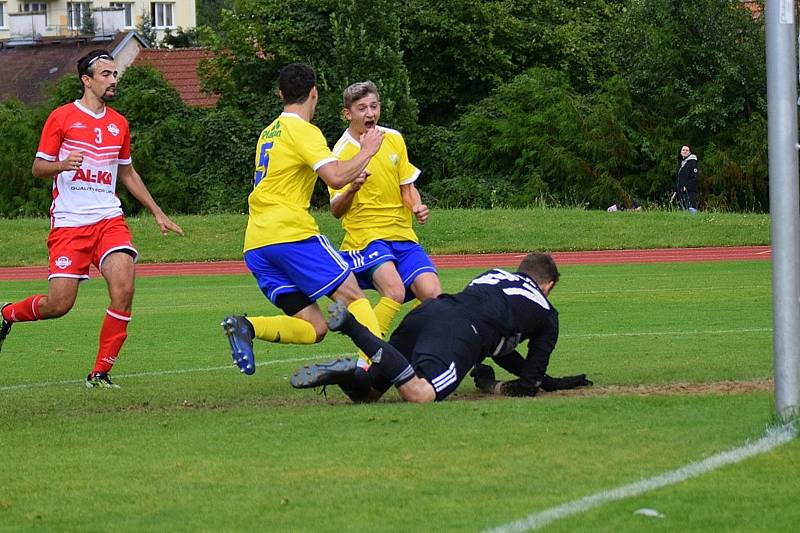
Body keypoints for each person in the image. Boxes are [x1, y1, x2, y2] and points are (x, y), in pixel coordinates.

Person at [0, 49, 184, 388]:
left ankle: (100, 373)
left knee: (124, 288)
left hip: (108, 219)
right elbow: (38, 168)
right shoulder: (61, 117)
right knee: (59, 304)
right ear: (87, 80)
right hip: (70, 224)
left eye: (115, 74)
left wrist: (157, 211)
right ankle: (7, 313)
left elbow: (127, 173)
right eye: (106, 75)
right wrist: (62, 164)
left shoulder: (119, 123)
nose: (114, 80)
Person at [221, 64, 386, 375]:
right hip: (290, 234)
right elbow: (335, 177)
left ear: (280, 94)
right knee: (352, 294)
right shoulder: (303, 130)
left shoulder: (268, 131)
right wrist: (367, 151)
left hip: (257, 243)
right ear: (314, 93)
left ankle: (246, 326)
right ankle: (379, 366)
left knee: (315, 326)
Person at [290, 253, 592, 403]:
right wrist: (492, 386)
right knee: (419, 393)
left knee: (367, 394)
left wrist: (550, 381)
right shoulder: (547, 313)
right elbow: (528, 385)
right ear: (548, 286)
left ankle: (350, 373)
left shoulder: (494, 274)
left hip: (430, 311)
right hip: (462, 331)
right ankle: (355, 329)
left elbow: (499, 343)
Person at [329, 81, 442, 336]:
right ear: (348, 113)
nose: (370, 113)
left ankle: (404, 349)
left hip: (401, 234)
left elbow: (406, 187)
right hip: (366, 237)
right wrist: (352, 188)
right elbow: (336, 210)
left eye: (374, 106)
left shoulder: (393, 139)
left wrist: (417, 205)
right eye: (362, 108)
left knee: (434, 296)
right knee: (394, 291)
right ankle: (367, 360)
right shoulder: (341, 152)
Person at [674, 145, 699, 213]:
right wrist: (676, 190)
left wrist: (686, 187)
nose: (685, 151)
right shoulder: (681, 163)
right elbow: (679, 179)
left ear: (689, 152)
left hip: (689, 192)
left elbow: (694, 178)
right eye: (683, 150)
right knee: (682, 211)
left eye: (687, 150)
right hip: (680, 192)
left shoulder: (692, 163)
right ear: (680, 152)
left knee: (691, 210)